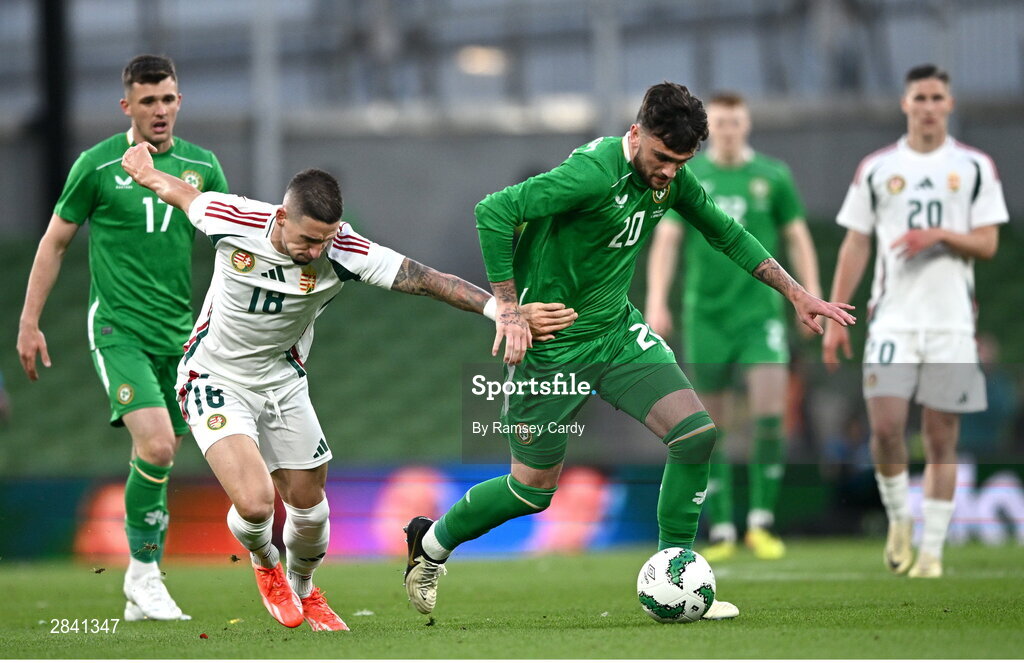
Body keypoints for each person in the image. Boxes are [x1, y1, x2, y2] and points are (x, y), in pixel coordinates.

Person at [403, 82, 855, 620]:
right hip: (551, 347)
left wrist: (797, 293)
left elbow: (727, 234)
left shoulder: (673, 180)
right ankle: (429, 546)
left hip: (617, 334)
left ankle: (677, 578)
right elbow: (495, 211)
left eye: (681, 162)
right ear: (636, 133)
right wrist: (507, 308)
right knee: (531, 491)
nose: (668, 172)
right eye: (662, 158)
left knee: (695, 436)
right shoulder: (593, 173)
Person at [119, 142, 576, 631]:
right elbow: (182, 192)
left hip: (282, 380)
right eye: (307, 239)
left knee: (312, 512)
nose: (315, 252)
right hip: (213, 375)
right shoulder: (234, 218)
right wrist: (145, 170)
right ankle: (264, 562)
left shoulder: (345, 250)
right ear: (281, 217)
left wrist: (498, 310)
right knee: (254, 503)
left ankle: (305, 589)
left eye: (325, 240)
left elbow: (427, 280)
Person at [17, 55, 229, 621]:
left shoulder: (202, 167)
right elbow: (55, 242)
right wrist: (29, 321)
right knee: (158, 444)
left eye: (168, 99)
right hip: (117, 326)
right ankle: (145, 575)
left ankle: (140, 585)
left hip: (179, 334)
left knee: (158, 454)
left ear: (179, 101)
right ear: (127, 106)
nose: (159, 111)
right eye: (148, 101)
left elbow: (228, 243)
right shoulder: (96, 165)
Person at [823, 64, 1008, 578]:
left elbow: (989, 242)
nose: (928, 106)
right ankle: (901, 519)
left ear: (948, 104)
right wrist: (837, 314)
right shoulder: (878, 169)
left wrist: (941, 235)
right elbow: (857, 241)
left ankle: (933, 552)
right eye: (920, 97)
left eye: (936, 97)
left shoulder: (973, 167)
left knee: (942, 436)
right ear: (906, 104)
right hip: (893, 320)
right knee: (884, 430)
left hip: (951, 323)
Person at [645, 91, 822, 561]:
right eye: (720, 123)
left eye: (735, 122)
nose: (727, 130)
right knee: (712, 425)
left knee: (769, 411)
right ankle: (721, 527)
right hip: (705, 315)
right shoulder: (689, 173)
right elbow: (667, 237)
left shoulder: (772, 175)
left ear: (746, 125)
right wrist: (656, 300)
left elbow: (797, 236)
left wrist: (811, 292)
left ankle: (761, 523)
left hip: (759, 313)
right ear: (709, 131)